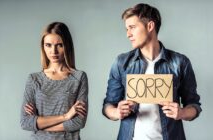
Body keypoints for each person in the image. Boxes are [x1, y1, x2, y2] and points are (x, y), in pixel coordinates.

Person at [102, 3, 201, 140]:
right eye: (127, 29)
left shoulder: (180, 62)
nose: (128, 34)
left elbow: (194, 105)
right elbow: (108, 105)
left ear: (150, 26)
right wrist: (116, 112)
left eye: (132, 28)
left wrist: (182, 113)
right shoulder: (121, 63)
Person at [20, 22, 88, 140]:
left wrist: (38, 124)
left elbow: (78, 122)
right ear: (43, 47)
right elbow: (25, 122)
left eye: (59, 45)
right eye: (48, 45)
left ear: (67, 45)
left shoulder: (79, 77)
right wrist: (66, 116)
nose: (54, 51)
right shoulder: (34, 79)